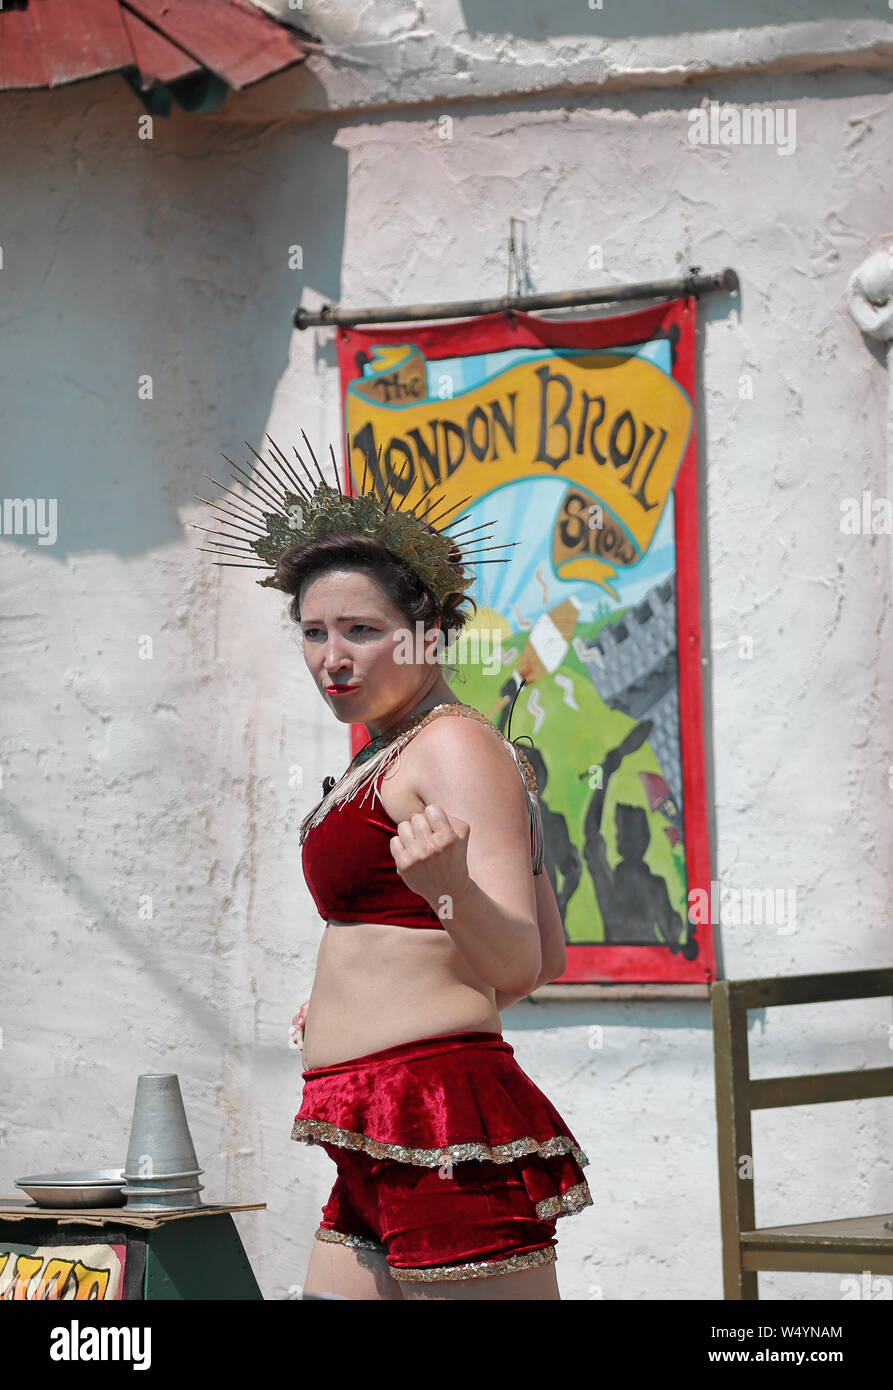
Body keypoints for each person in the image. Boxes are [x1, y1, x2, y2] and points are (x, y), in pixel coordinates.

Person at [197, 435, 594, 1300]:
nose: (330, 658)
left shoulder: (452, 747)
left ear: (429, 636)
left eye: (361, 631)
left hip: (436, 1115)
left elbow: (521, 965)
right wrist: (352, 990)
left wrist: (445, 886)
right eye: (313, 632)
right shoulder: (395, 750)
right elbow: (509, 956)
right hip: (373, 1124)